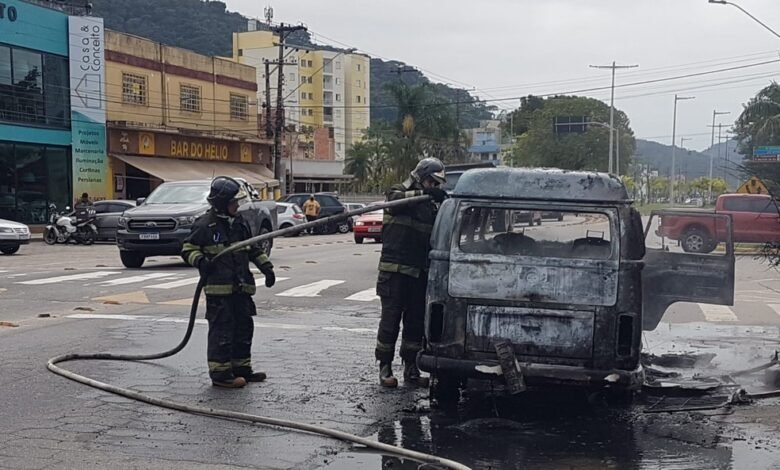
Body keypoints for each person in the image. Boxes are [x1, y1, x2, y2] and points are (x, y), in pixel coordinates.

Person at [181, 176, 276, 388]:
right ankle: (221, 374)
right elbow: (188, 249)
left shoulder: (239, 223)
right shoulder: (205, 225)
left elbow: (252, 249)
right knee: (222, 332)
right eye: (234, 202)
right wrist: (201, 261)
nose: (237, 205)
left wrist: (267, 268)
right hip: (219, 292)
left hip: (241, 288)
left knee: (243, 328)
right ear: (223, 203)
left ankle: (242, 368)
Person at [375, 158, 448, 388]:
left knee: (415, 324)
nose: (433, 188)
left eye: (437, 185)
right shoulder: (398, 192)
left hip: (419, 272)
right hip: (394, 272)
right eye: (431, 182)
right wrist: (422, 195)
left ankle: (411, 368)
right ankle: (384, 366)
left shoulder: (431, 206)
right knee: (390, 321)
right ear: (420, 177)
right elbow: (394, 203)